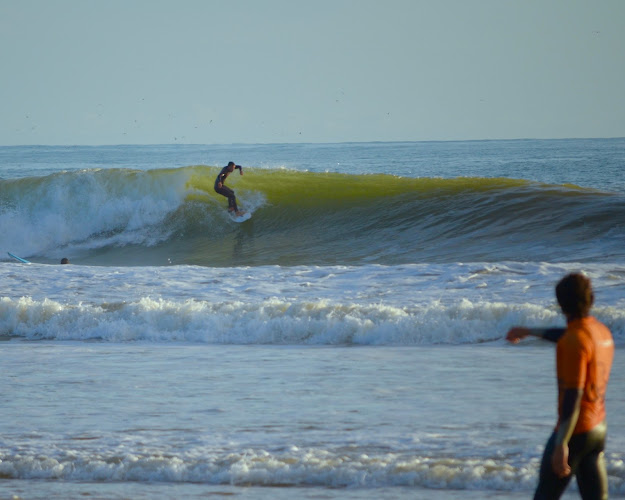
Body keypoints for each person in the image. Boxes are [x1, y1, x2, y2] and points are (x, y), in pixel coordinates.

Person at [506, 273, 614, 500]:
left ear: (560, 304)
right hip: (598, 430)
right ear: (591, 299)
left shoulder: (573, 343)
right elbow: (571, 335)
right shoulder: (601, 332)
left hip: (575, 431)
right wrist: (529, 331)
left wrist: (561, 444)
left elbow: (574, 396)